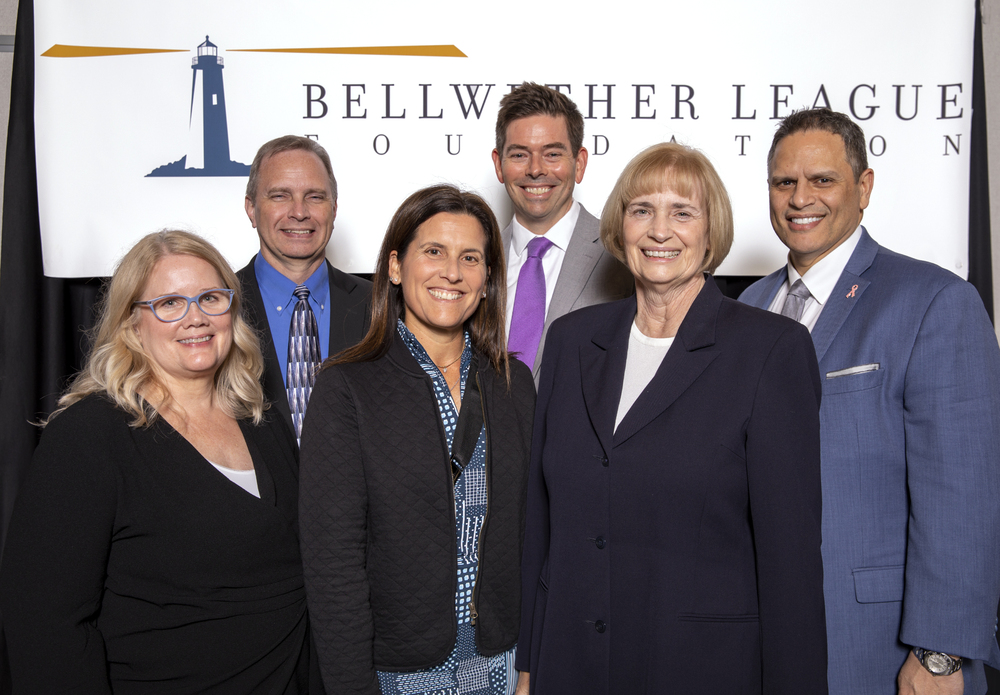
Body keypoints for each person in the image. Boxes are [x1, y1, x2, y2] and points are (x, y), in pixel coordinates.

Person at [518, 143, 828, 694]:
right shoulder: (570, 341)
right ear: (620, 227)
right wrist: (528, 665)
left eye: (682, 212)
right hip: (570, 666)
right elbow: (542, 521)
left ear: (712, 234)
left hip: (699, 670)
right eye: (642, 210)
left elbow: (791, 563)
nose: (660, 230)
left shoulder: (770, 351)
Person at [740, 108, 1000, 695]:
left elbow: (965, 495)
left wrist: (940, 654)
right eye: (785, 182)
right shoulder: (748, 308)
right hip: (756, 637)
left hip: (877, 642)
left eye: (822, 180)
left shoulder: (935, 301)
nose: (801, 197)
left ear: (864, 187)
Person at [0, 230, 314, 692]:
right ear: (131, 324)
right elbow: (43, 622)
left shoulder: (263, 421)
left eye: (211, 297)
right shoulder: (90, 436)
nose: (196, 318)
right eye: (169, 303)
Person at [299, 184, 535, 695]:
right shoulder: (348, 388)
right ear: (395, 267)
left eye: (470, 257)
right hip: (399, 674)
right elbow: (333, 567)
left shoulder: (514, 384)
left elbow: (538, 536)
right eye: (434, 252)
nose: (452, 272)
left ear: (488, 278)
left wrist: (532, 665)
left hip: (502, 664)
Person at [492, 82, 632, 382]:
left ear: (579, 163)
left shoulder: (624, 256)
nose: (535, 169)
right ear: (499, 164)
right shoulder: (477, 261)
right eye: (519, 155)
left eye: (552, 154)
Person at [239, 134, 372, 443]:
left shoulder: (380, 306)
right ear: (251, 209)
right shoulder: (216, 307)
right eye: (280, 196)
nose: (299, 212)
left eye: (315, 196)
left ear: (334, 209)